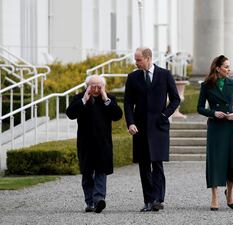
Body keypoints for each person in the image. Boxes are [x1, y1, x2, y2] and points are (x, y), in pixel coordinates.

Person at [124, 47, 180, 212]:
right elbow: (128, 103)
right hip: (139, 128)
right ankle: (148, 200)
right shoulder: (133, 77)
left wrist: (165, 115)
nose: (136, 62)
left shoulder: (165, 75)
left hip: (159, 126)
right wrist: (130, 123)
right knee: (144, 165)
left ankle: (158, 199)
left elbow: (175, 99)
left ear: (148, 58)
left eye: (138, 60)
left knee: (157, 163)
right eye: (135, 59)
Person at [197, 55, 233, 211]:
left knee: (230, 161)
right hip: (215, 127)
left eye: (229, 66)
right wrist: (213, 113)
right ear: (217, 68)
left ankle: (230, 193)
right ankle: (214, 197)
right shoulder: (206, 85)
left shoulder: (232, 84)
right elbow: (199, 108)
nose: (229, 69)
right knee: (215, 162)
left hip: (229, 126)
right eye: (226, 66)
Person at [66, 75, 123, 213]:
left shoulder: (109, 98)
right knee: (87, 173)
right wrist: (84, 100)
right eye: (93, 86)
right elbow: (70, 114)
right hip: (85, 142)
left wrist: (106, 99)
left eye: (99, 87)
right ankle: (90, 202)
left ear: (103, 87)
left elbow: (117, 115)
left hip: (103, 142)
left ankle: (99, 200)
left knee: (101, 171)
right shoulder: (79, 98)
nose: (96, 89)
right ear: (87, 86)